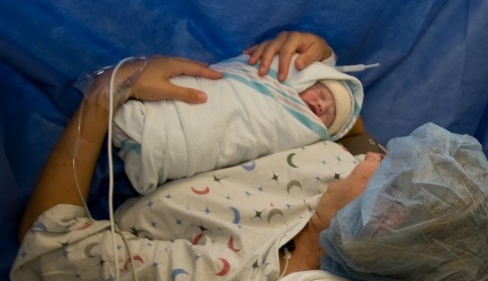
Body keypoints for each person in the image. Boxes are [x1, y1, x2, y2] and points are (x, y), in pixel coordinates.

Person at [12, 32, 488, 281]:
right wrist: (322, 76)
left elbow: (48, 243)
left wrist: (106, 94)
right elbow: (359, 140)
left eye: (388, 171)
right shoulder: (359, 215)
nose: (373, 158)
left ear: (382, 223)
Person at [112, 51, 363, 194]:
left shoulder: (302, 137)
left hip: (191, 151)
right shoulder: (274, 80)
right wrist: (325, 52)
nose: (321, 105)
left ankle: (160, 147)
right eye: (321, 95)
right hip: (185, 106)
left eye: (326, 115)